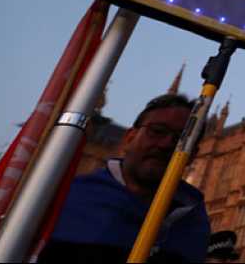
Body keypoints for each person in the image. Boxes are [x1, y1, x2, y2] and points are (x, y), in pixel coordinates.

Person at [40, 94, 210, 263]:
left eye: (182, 139)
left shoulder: (194, 221)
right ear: (129, 138)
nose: (166, 144)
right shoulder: (65, 198)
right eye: (157, 131)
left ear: (193, 155)